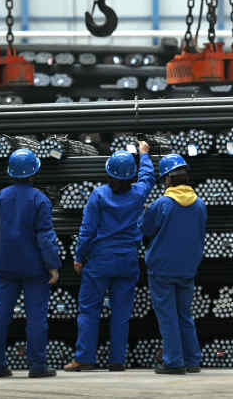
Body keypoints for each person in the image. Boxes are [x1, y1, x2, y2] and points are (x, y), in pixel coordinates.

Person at [64, 142, 156, 372]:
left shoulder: (98, 196)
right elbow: (148, 177)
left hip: (100, 260)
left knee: (89, 310)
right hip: (127, 260)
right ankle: (117, 360)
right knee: (121, 313)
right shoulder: (138, 193)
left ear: (108, 173)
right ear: (131, 176)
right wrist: (144, 154)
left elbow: (87, 231)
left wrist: (79, 257)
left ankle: (84, 358)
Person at [0, 149, 61, 379]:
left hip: (6, 265)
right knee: (36, 317)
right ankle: (37, 366)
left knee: (0, 314)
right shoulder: (39, 199)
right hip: (34, 268)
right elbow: (45, 236)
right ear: (34, 172)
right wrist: (52, 265)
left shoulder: (0, 197)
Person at [142, 153, 207, 375]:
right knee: (184, 315)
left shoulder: (161, 204)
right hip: (187, 268)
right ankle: (192, 360)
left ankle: (173, 362)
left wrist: (146, 213)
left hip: (162, 268)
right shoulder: (199, 205)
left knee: (168, 316)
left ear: (167, 179)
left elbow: (146, 229)